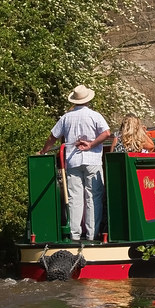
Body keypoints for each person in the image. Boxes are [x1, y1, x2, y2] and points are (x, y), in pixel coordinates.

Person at [40, 85, 111, 241]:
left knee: (75, 198)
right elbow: (106, 133)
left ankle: (75, 235)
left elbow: (53, 137)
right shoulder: (95, 115)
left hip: (72, 161)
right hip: (92, 160)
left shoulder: (66, 117)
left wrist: (43, 151)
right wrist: (92, 144)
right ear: (88, 100)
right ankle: (92, 234)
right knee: (94, 197)